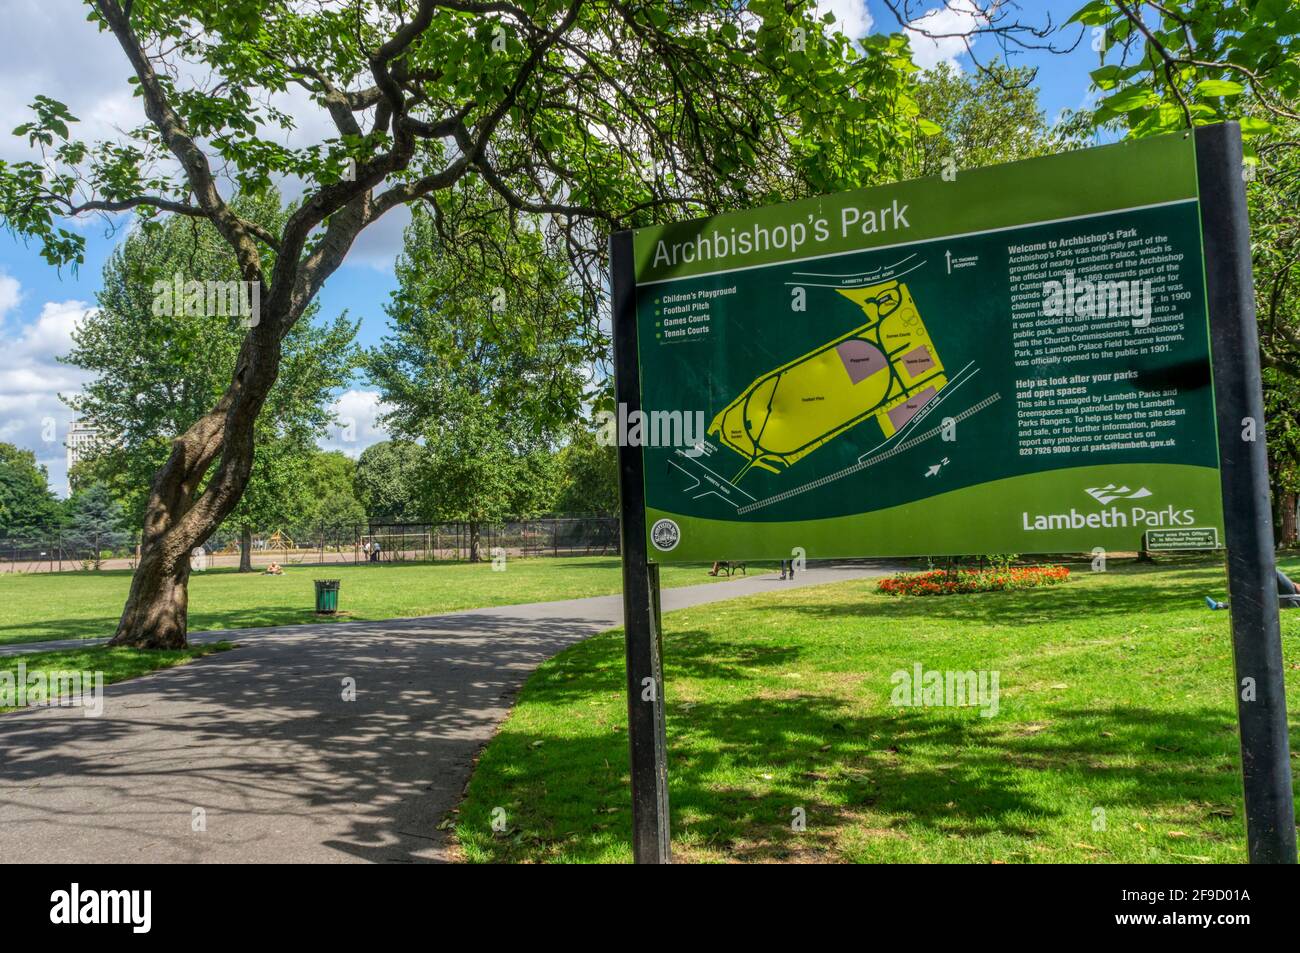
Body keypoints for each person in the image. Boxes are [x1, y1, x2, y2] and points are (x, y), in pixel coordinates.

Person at [1206, 567, 1299, 610]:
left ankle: (1221, 606)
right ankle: (1220, 606)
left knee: (1272, 570)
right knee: (1258, 597)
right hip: (1292, 592)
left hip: (1294, 596)